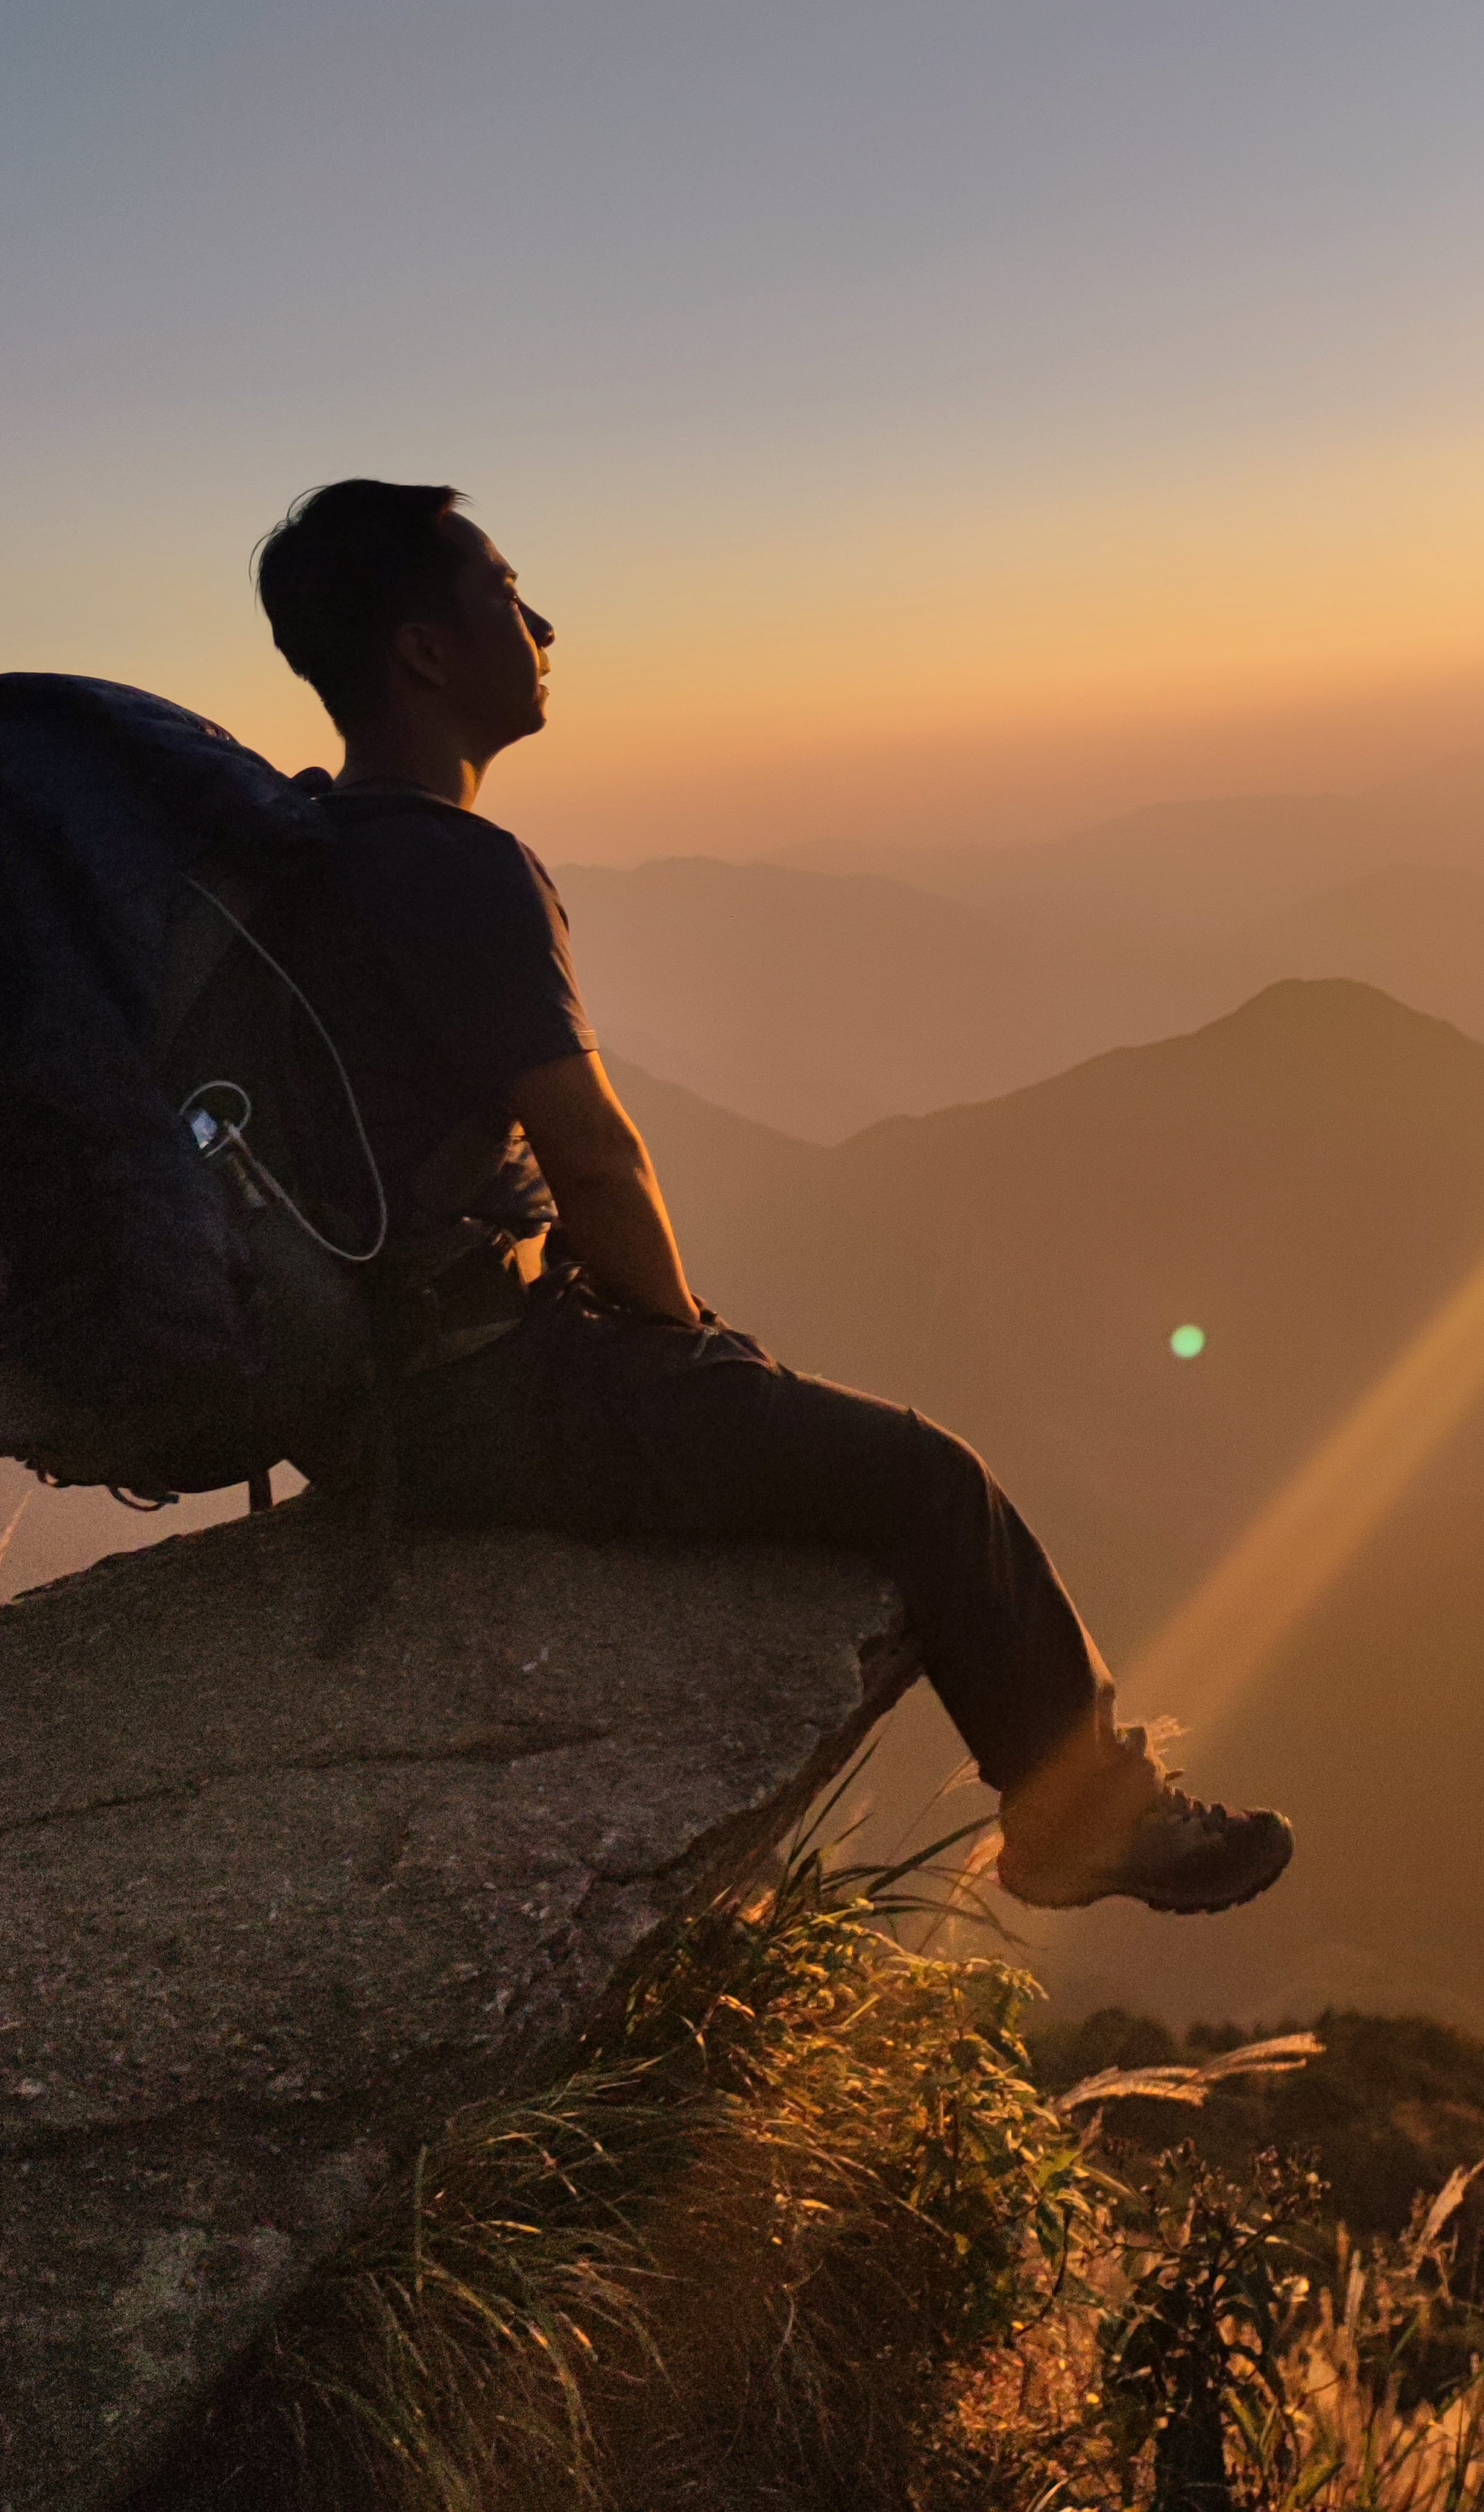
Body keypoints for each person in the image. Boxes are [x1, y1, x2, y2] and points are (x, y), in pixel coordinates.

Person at [247, 477, 1291, 1916]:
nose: (541, 622)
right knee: (932, 1484)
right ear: (424, 652)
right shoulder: (457, 867)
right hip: (474, 1388)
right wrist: (673, 1338)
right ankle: (1083, 1823)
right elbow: (594, 1157)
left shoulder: (296, 857)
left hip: (350, 1388)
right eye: (502, 594)